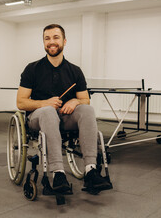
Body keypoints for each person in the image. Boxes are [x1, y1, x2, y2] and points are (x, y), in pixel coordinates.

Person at [16, 24, 111, 193]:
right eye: (47, 38)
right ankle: (58, 173)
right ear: (44, 43)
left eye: (56, 37)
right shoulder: (32, 69)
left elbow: (85, 100)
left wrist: (75, 101)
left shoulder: (75, 71)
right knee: (48, 111)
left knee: (87, 110)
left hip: (65, 118)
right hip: (39, 118)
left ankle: (91, 170)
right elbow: (21, 102)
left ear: (64, 41)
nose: (51, 42)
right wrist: (44, 103)